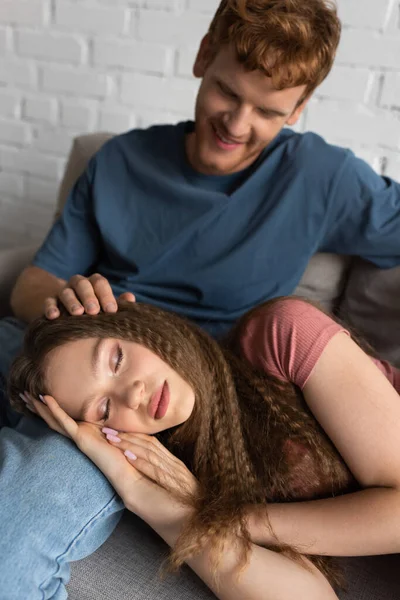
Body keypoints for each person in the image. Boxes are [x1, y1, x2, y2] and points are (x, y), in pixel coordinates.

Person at [1, 0, 400, 596]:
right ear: (202, 57)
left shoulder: (323, 179)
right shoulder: (120, 162)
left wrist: (192, 508)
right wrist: (69, 303)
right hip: (99, 342)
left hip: (180, 390)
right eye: (226, 93)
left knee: (46, 482)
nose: (238, 124)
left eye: (268, 111)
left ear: (299, 108)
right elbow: (31, 284)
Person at [7, 296, 400, 599]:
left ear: (142, 326)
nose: (134, 394)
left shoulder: (280, 333)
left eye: (117, 358)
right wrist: (149, 498)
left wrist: (221, 516)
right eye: (104, 408)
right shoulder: (175, 460)